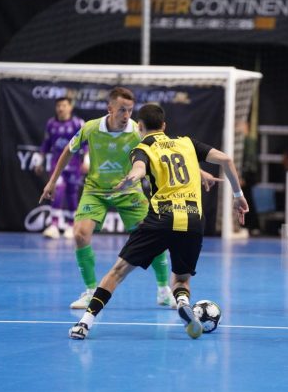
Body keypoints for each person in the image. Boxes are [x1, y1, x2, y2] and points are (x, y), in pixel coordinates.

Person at [65, 103, 249, 340]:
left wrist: (132, 177)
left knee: (117, 272)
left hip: (161, 218)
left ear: (139, 127)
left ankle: (84, 324)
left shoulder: (142, 147)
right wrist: (238, 195)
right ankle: (182, 302)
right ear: (164, 125)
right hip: (193, 219)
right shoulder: (187, 143)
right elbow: (226, 159)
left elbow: (140, 169)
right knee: (181, 279)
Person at [40, 88, 177, 309]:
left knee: (154, 236)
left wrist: (198, 172)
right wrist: (52, 181)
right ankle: (90, 292)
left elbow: (164, 153)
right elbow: (68, 150)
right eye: (122, 110)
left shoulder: (137, 132)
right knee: (80, 234)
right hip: (96, 191)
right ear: (110, 108)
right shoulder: (91, 128)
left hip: (129, 191)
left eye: (130, 110)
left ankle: (163, 291)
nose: (126, 115)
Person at [35, 97, 86, 239]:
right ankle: (54, 225)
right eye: (58, 106)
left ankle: (71, 225)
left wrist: (87, 159)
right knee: (57, 189)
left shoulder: (78, 123)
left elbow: (85, 143)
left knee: (71, 193)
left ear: (70, 107)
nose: (61, 108)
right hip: (56, 165)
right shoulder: (51, 124)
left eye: (64, 105)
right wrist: (39, 160)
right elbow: (46, 144)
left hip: (74, 165)